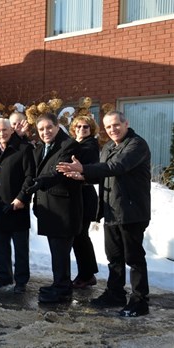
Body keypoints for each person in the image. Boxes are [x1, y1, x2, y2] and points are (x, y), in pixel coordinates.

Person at [57, 111, 151, 317]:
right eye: (108, 127)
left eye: (116, 125)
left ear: (126, 123)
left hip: (132, 211)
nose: (112, 129)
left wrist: (84, 168)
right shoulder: (109, 147)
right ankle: (115, 294)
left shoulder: (136, 144)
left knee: (134, 258)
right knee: (114, 257)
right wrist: (82, 176)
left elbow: (117, 166)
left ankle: (139, 301)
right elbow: (104, 175)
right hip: (111, 210)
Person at [26, 113, 82, 303]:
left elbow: (58, 170)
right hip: (48, 206)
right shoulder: (41, 147)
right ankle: (60, 283)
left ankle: (62, 289)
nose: (45, 132)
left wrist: (39, 182)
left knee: (60, 251)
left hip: (63, 208)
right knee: (57, 250)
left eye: (49, 127)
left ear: (57, 126)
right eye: (41, 129)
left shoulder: (68, 145)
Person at [0, 118, 35, 294]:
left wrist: (22, 198)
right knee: (1, 244)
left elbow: (30, 177)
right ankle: (5, 275)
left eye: (5, 130)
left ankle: (21, 280)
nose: (2, 134)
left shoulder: (24, 149)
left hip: (17, 205)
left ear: (11, 129)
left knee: (20, 247)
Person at [68, 115, 100, 289]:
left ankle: (87, 275)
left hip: (85, 196)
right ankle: (87, 273)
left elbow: (91, 172)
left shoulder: (89, 146)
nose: (81, 129)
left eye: (86, 127)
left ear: (91, 129)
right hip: (77, 196)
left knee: (80, 236)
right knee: (79, 237)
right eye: (78, 126)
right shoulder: (77, 144)